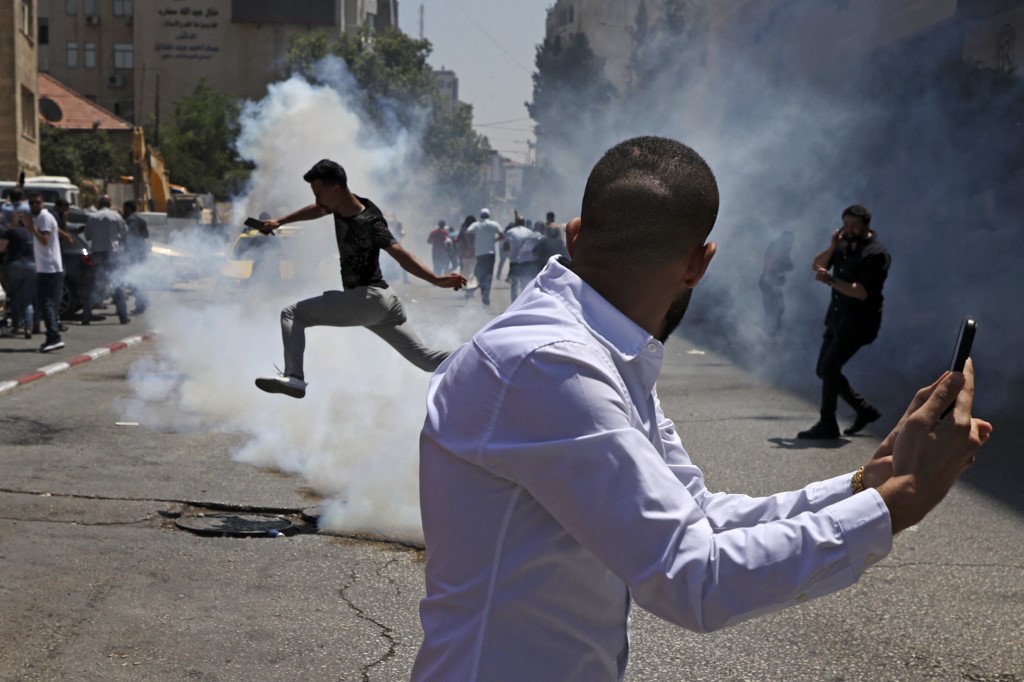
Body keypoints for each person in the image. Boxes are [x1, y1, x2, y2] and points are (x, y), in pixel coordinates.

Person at [412, 137, 991, 681]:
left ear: (574, 233)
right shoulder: (554, 365)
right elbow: (696, 576)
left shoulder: (600, 351)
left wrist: (868, 483)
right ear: (699, 263)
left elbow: (698, 515)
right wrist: (897, 504)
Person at [253, 159, 466, 399]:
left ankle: (294, 378)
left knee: (292, 314)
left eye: (318, 194)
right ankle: (477, 357)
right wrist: (280, 221)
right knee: (426, 359)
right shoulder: (343, 203)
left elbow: (401, 255)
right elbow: (319, 210)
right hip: (385, 302)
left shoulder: (370, 222)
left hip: (367, 300)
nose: (317, 200)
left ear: (335, 189)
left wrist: (436, 279)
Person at [798, 205, 891, 439]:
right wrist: (832, 245)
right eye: (845, 224)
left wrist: (830, 281)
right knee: (824, 370)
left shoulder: (875, 254)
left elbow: (861, 292)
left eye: (854, 226)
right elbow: (816, 264)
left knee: (829, 368)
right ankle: (865, 410)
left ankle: (827, 423)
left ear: (866, 226)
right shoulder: (842, 245)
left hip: (859, 322)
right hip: (838, 318)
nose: (849, 230)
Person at [24, 194, 65, 352]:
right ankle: (53, 336)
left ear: (43, 203)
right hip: (48, 267)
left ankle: (53, 337)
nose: (34, 205)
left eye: (37, 202)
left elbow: (44, 240)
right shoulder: (42, 217)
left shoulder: (43, 217)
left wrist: (33, 228)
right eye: (31, 202)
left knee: (44, 302)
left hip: (49, 268)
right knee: (48, 303)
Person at [84, 195, 130, 325]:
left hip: (97, 253)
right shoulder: (116, 216)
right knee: (117, 283)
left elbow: (87, 236)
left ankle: (86, 315)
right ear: (109, 205)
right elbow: (125, 233)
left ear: (99, 204)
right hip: (113, 254)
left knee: (93, 284)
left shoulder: (93, 217)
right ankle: (123, 316)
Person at [1, 212, 38, 338]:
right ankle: (28, 327)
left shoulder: (10, 232)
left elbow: (2, 248)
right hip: (32, 266)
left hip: (15, 265)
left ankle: (16, 325)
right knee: (28, 299)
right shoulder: (30, 233)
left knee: (15, 297)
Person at [759, 230, 795, 336]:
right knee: (773, 308)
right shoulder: (776, 249)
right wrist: (780, 269)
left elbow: (790, 266)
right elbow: (771, 264)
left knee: (777, 308)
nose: (791, 244)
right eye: (790, 241)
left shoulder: (782, 251)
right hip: (768, 281)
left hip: (770, 282)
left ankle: (771, 333)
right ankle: (768, 334)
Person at [464, 208, 503, 306]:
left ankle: (472, 289)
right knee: (488, 275)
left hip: (480, 253)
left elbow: (467, 232)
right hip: (490, 254)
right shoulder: (494, 224)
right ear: (489, 215)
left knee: (478, 273)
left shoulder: (476, 225)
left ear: (480, 215)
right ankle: (486, 294)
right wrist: (495, 241)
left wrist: (470, 243)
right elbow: (502, 235)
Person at [502, 212, 541, 302]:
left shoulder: (510, 232)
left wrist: (511, 248)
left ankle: (514, 303)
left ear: (516, 222)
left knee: (514, 283)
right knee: (524, 282)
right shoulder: (529, 232)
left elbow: (505, 247)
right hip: (526, 261)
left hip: (514, 261)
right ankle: (524, 302)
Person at [122, 200, 150, 314]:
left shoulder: (129, 220)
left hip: (133, 254)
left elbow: (127, 237)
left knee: (133, 280)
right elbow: (146, 235)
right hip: (141, 252)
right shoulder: (141, 220)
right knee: (139, 278)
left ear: (128, 209)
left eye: (125, 209)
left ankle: (141, 302)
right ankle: (142, 301)